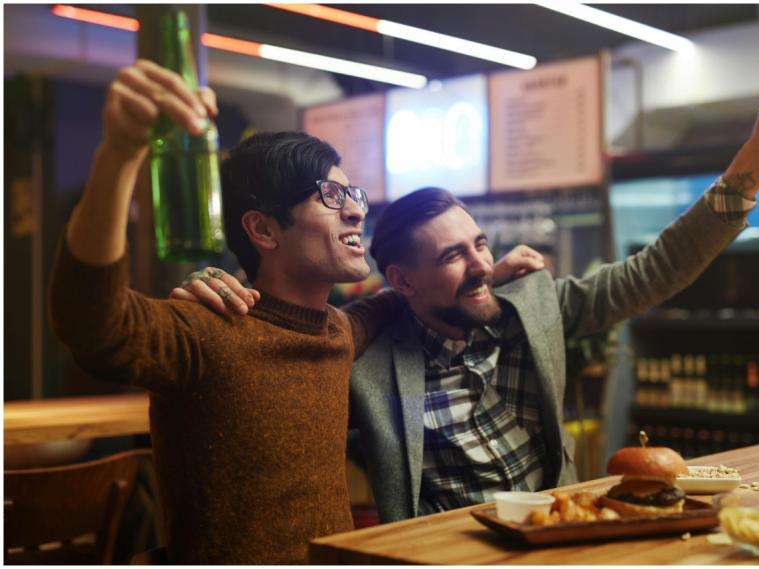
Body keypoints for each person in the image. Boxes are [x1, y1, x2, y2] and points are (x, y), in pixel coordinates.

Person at [177, 87, 759, 523]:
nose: (482, 264)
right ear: (401, 280)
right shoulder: (368, 358)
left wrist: (758, 156)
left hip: (565, 537)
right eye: (453, 257)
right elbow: (285, 342)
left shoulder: (531, 308)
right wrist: (224, 283)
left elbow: (658, 267)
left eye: (479, 243)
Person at [48, 60, 540, 562]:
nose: (355, 210)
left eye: (352, 193)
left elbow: (395, 300)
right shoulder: (208, 329)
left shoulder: (337, 332)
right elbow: (94, 322)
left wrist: (481, 276)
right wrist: (119, 154)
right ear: (263, 230)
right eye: (330, 195)